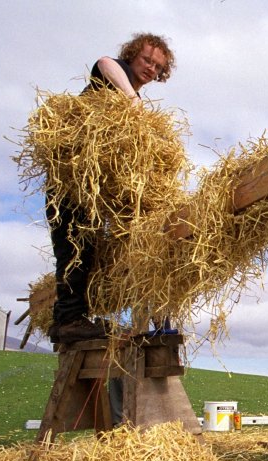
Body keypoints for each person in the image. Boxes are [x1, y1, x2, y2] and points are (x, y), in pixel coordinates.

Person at [48, 33, 176, 343]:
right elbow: (104, 63)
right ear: (133, 55)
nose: (151, 68)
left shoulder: (136, 100)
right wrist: (132, 99)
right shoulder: (115, 77)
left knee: (88, 249)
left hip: (94, 188)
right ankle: (67, 322)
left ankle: (71, 318)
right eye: (147, 60)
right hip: (72, 179)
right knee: (74, 247)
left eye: (158, 66)